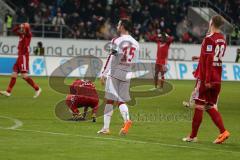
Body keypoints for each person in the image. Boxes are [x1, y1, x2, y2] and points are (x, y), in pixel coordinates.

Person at [182, 15, 230, 144]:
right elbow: (213, 58)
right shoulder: (223, 39)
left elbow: (209, 60)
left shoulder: (209, 39)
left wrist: (206, 79)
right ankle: (223, 131)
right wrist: (199, 62)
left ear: (212, 23)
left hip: (206, 79)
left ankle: (192, 136)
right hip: (217, 78)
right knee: (209, 106)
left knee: (199, 105)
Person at [97, 19, 139, 135]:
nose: (117, 26)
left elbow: (111, 57)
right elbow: (135, 61)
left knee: (110, 100)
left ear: (123, 27)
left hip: (115, 72)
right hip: (127, 73)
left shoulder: (117, 40)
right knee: (121, 100)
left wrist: (103, 74)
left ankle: (106, 128)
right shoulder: (136, 43)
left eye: (119, 24)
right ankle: (126, 121)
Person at [0, 23, 41, 98]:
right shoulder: (21, 34)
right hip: (20, 57)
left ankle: (37, 89)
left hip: (24, 57)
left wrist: (25, 26)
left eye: (23, 28)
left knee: (24, 76)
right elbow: (13, 31)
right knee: (14, 74)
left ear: (25, 28)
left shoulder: (28, 34)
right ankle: (8, 92)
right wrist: (19, 26)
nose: (21, 29)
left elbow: (28, 29)